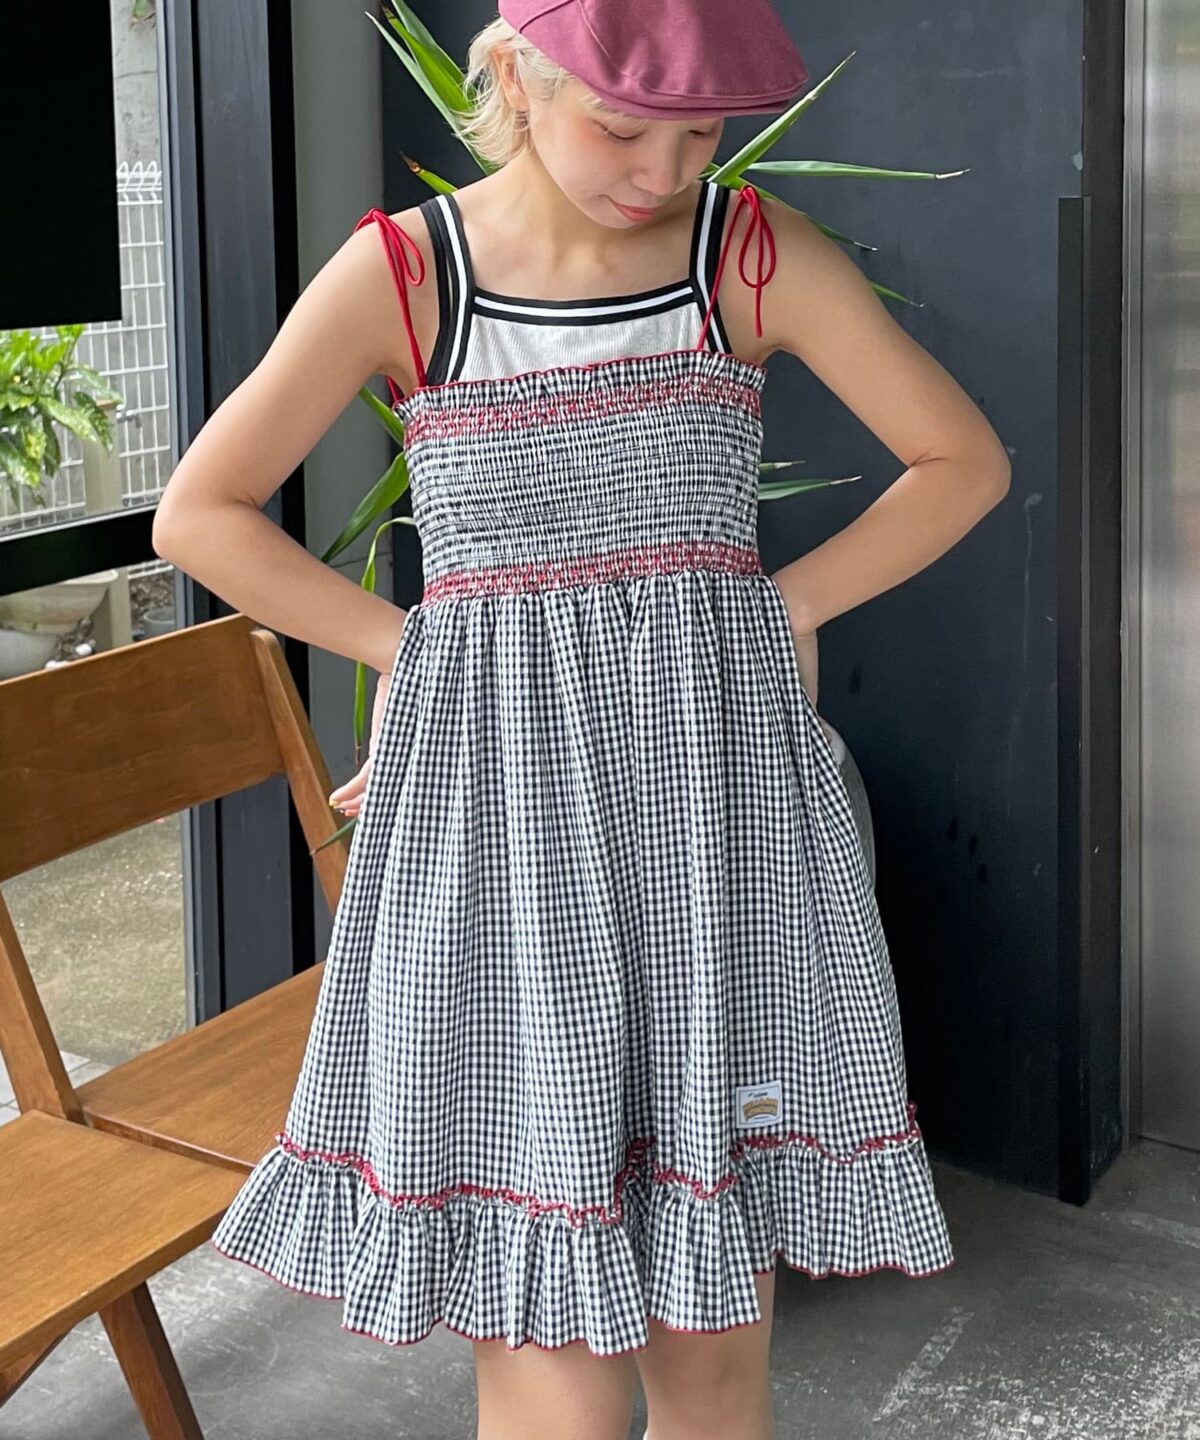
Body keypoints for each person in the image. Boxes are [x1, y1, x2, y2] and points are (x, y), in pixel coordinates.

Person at [154, 2, 1010, 1436]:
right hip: (496, 844)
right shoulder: (409, 276)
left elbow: (961, 461)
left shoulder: (748, 256)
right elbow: (200, 513)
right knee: (544, 1357)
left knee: (713, 1357)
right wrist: (417, 652)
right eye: (623, 126)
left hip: (717, 836)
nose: (662, 171)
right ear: (515, 76)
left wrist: (782, 608)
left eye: (700, 132)